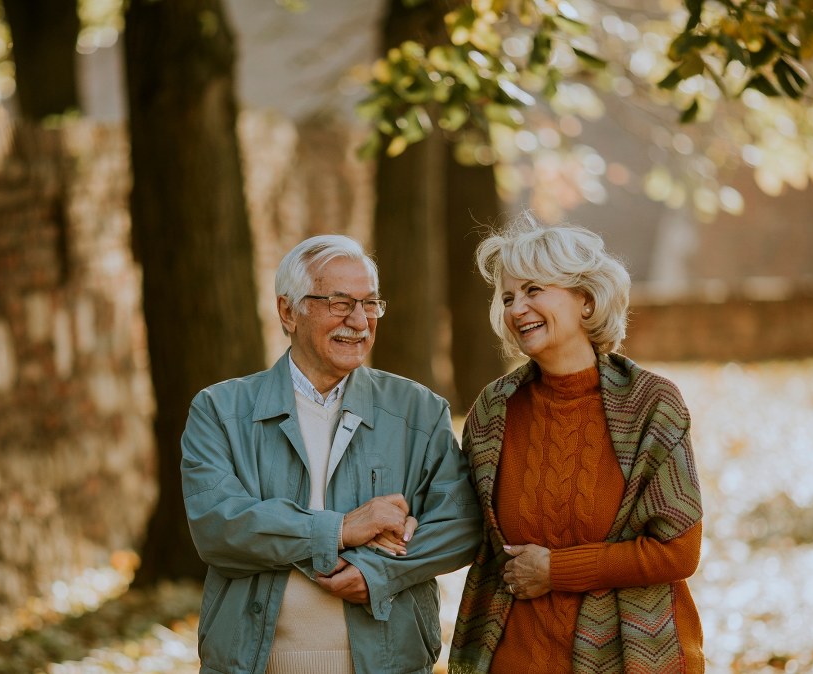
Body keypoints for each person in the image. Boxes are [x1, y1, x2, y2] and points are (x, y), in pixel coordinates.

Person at [182, 234, 482, 674]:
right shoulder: (219, 410)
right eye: (339, 303)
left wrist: (379, 574)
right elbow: (218, 525)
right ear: (289, 311)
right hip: (253, 664)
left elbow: (460, 524)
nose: (359, 321)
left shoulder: (419, 410)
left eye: (370, 303)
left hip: (388, 662)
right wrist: (340, 529)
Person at [449, 216, 704, 673]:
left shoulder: (650, 404)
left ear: (585, 300)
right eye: (508, 297)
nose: (516, 308)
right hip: (513, 658)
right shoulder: (494, 410)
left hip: (629, 659)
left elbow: (678, 551)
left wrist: (556, 571)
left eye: (533, 290)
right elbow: (465, 528)